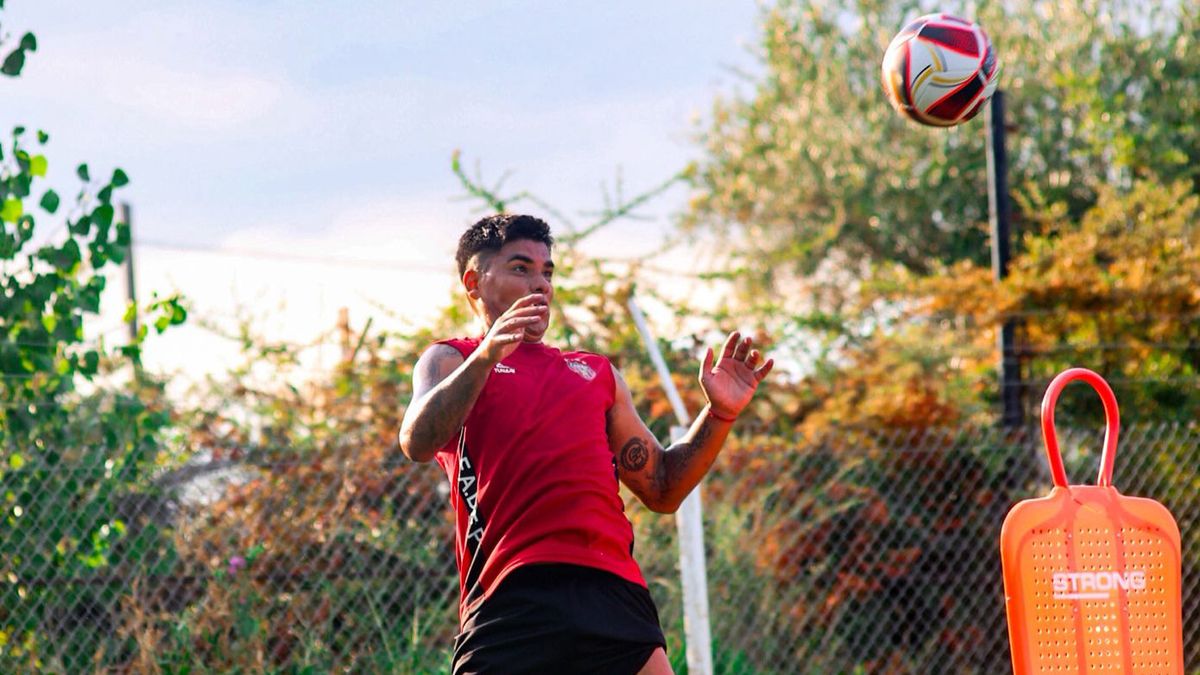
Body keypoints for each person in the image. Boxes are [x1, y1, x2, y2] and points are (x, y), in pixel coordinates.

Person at [399, 214, 773, 675]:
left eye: (547, 272)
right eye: (521, 268)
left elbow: (662, 488)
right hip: (512, 593)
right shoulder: (452, 359)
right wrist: (488, 354)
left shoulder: (595, 373)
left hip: (612, 591)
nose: (541, 284)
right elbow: (417, 441)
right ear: (474, 283)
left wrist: (720, 414)